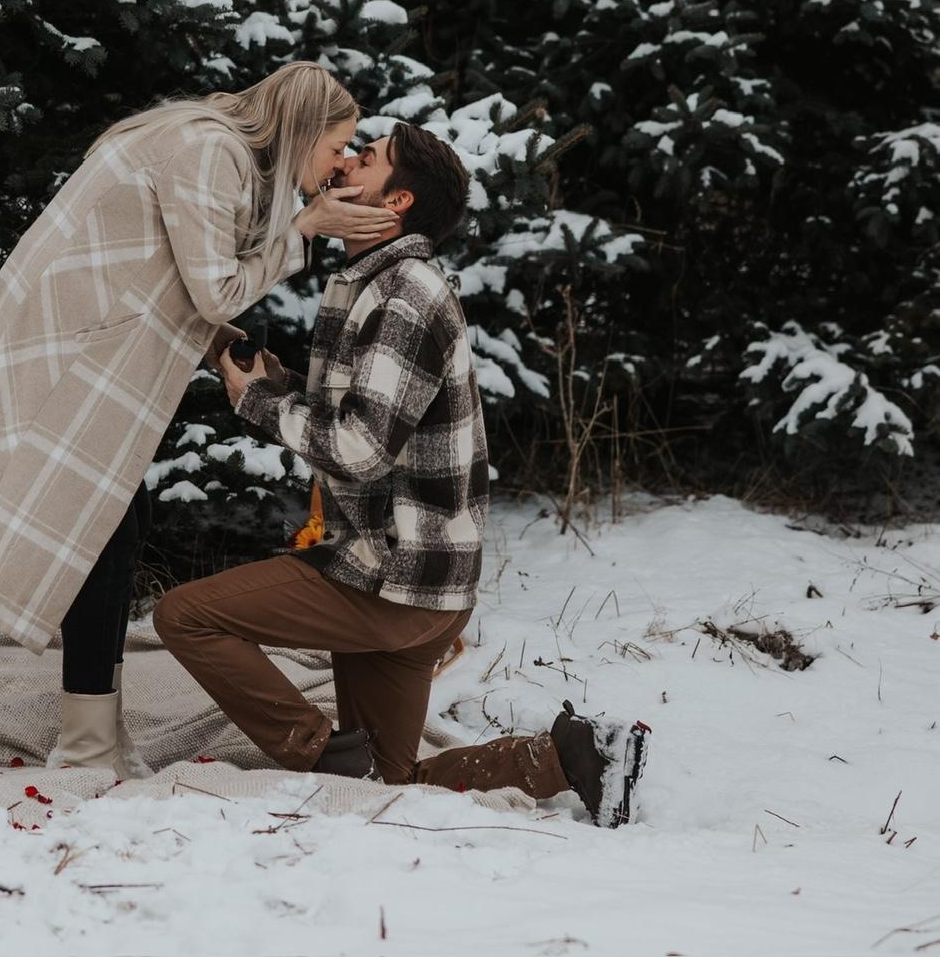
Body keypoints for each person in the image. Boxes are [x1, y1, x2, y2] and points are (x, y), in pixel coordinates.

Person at [0, 62, 401, 777]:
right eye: (334, 150)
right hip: (64, 337)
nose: (335, 169)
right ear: (299, 133)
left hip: (84, 326)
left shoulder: (209, 142)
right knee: (99, 526)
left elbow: (158, 266)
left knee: (119, 519)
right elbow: (216, 287)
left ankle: (96, 732)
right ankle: (84, 743)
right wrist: (306, 230)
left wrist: (214, 342)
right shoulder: (211, 149)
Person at [153, 121, 650, 825]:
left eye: (369, 157)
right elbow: (360, 415)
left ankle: (316, 752)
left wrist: (256, 404)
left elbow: (358, 447)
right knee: (391, 780)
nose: (347, 160)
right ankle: (576, 756)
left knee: (186, 616)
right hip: (425, 588)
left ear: (396, 203)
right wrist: (266, 378)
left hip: (391, 579)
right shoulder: (373, 283)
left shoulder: (403, 295)